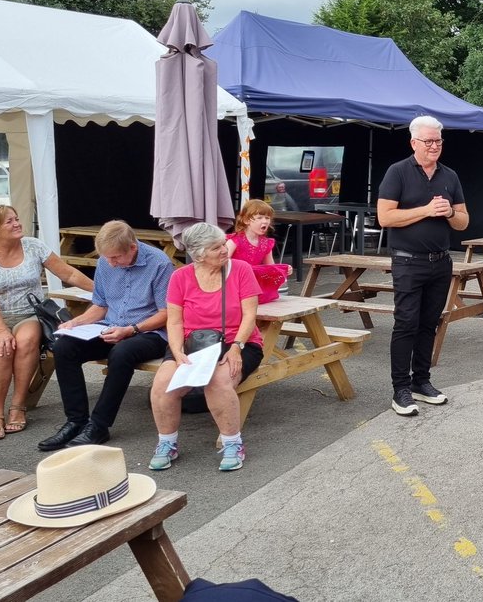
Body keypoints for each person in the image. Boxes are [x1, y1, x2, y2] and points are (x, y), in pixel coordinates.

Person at [36, 221, 174, 450]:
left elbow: (166, 313)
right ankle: (75, 421)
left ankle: (99, 426)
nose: (111, 263)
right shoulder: (105, 260)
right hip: (111, 326)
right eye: (107, 258)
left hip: (149, 332)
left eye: (116, 258)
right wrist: (75, 323)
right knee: (63, 347)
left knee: (121, 353)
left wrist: (131, 330)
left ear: (132, 247)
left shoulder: (159, 263)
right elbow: (100, 305)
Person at [0, 205, 93, 441]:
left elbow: (69, 274)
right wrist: (1, 330)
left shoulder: (33, 245)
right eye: (9, 222)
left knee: (25, 341)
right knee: (1, 349)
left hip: (30, 314)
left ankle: (18, 406)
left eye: (16, 218)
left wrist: (101, 291)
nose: (17, 224)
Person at [147, 223, 264, 472]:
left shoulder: (241, 269)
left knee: (218, 382)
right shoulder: (180, 277)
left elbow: (250, 315)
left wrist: (236, 349)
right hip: (193, 342)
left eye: (223, 243)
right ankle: (167, 443)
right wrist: (177, 352)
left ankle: (233, 443)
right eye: (216, 247)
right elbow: (175, 321)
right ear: (198, 254)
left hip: (237, 341)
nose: (224, 249)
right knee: (163, 384)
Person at [376, 115, 468, 416]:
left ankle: (421, 382)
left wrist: (448, 214)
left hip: (440, 262)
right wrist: (426, 210)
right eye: (428, 141)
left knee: (430, 323)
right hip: (407, 262)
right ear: (413, 142)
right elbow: (385, 218)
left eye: (438, 141)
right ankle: (399, 389)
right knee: (406, 324)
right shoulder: (397, 172)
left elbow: (464, 221)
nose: (434, 146)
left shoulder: (450, 175)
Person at [226, 199, 291, 303]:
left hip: (254, 286)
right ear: (246, 220)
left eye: (267, 218)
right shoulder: (234, 241)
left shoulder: (266, 243)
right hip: (235, 285)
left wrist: (283, 269)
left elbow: (270, 267)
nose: (265, 221)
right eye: (259, 218)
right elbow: (222, 264)